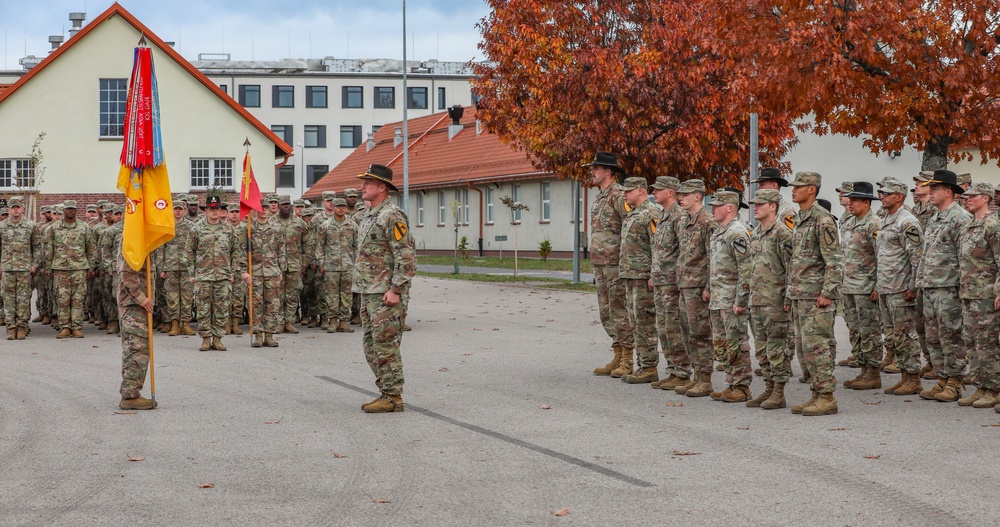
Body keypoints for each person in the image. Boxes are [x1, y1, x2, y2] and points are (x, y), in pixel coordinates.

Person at [353, 164, 416, 413]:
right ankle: (385, 391)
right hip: (369, 291)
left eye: (368, 182)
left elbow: (406, 255)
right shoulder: (369, 215)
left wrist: (397, 289)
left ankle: (393, 397)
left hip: (385, 293)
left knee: (385, 345)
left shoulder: (392, 215)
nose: (362, 186)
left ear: (382, 187)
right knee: (371, 345)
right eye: (363, 181)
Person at [787, 172, 843, 416]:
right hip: (801, 294)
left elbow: (834, 261)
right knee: (806, 348)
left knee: (817, 346)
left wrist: (828, 293)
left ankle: (827, 396)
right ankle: (816, 394)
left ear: (812, 189)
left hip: (816, 296)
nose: (793, 190)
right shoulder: (801, 218)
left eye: (798, 186)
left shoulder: (822, 219)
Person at [916, 170, 972, 402]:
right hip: (930, 285)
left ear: (948, 192)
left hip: (949, 287)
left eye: (935, 188)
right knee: (933, 336)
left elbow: (966, 257)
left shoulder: (960, 218)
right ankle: (943, 377)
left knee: (951, 335)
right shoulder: (935, 217)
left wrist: (963, 289)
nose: (930, 192)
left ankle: (956, 381)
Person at [874, 178, 925, 396]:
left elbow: (917, 256)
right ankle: (904, 375)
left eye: (887, 193)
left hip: (901, 288)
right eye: (881, 193)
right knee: (893, 335)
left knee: (905, 334)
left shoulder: (907, 221)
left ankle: (913, 377)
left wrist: (912, 286)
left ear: (900, 197)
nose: (882, 196)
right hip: (887, 286)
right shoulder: (886, 218)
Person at [584, 152, 633, 377]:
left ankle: (628, 359)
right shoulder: (601, 196)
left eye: (596, 168)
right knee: (606, 312)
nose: (592, 172)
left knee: (619, 309)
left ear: (609, 171)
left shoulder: (620, 196)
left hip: (615, 262)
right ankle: (618, 353)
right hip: (600, 263)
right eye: (592, 168)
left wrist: (627, 262)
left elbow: (630, 229)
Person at [746, 189, 794, 409]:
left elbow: (791, 268)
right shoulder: (756, 233)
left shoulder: (783, 233)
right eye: (754, 204)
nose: (755, 207)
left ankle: (779, 392)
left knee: (776, 348)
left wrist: (788, 297)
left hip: (775, 300)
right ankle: (768, 387)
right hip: (757, 299)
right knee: (762, 349)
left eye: (760, 204)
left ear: (772, 206)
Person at [705, 189, 753, 402]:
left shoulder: (737, 232)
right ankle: (731, 383)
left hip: (732, 300)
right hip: (719, 298)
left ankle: (742, 387)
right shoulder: (719, 231)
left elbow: (746, 269)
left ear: (730, 208)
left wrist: (741, 300)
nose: (712, 208)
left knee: (736, 343)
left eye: (717, 205)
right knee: (723, 344)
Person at [955, 182, 1000, 409]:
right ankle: (980, 386)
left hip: (985, 294)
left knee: (986, 344)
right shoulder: (969, 226)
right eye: (966, 196)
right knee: (971, 343)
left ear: (986, 198)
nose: (968, 199)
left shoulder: (992, 226)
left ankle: (994, 389)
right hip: (968, 293)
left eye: (973, 196)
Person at [674, 179, 717, 397]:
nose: (680, 198)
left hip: (699, 287)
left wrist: (709, 286)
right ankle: (697, 375)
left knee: (701, 333)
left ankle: (706, 378)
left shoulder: (708, 222)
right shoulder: (685, 222)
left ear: (698, 196)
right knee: (687, 332)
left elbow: (712, 257)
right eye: (679, 194)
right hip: (685, 285)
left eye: (685, 194)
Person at [840, 182, 883, 390]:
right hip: (849, 286)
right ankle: (863, 369)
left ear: (867, 202)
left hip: (866, 287)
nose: (850, 203)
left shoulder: (874, 224)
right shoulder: (849, 223)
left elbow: (880, 256)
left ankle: (873, 372)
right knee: (855, 330)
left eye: (855, 200)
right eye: (850, 199)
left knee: (869, 331)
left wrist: (877, 286)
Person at [648, 176, 689, 390]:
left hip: (673, 283)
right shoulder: (663, 216)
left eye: (658, 189)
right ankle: (673, 369)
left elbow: (684, 250)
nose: (654, 192)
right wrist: (653, 275)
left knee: (674, 327)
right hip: (661, 282)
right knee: (663, 327)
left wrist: (680, 279)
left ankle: (682, 372)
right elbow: (659, 251)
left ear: (670, 192)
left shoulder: (679, 217)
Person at [187, 196, 244, 351]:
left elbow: (235, 252)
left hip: (223, 276)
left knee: (222, 309)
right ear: (206, 211)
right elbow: (189, 253)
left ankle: (218, 338)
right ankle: (206, 339)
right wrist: (192, 273)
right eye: (211, 209)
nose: (214, 212)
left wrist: (232, 272)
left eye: (217, 209)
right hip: (203, 276)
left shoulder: (229, 229)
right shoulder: (196, 229)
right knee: (203, 309)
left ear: (220, 211)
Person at [617, 177, 660, 384]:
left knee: (645, 323)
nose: (625, 194)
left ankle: (650, 366)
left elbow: (656, 246)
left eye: (628, 191)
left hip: (643, 278)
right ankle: (643, 364)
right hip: (631, 276)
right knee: (635, 323)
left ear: (641, 191)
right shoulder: (632, 214)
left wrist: (654, 274)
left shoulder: (651, 214)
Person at [43, 200, 96, 339]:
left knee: (78, 299)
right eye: (68, 209)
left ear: (76, 210)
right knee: (62, 299)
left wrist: (91, 266)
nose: (70, 211)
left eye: (73, 209)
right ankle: (65, 327)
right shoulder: (54, 228)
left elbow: (91, 248)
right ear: (63, 211)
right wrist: (48, 268)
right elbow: (48, 248)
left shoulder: (84, 227)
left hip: (79, 268)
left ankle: (77, 327)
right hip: (60, 268)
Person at [117, 252, 157, 410]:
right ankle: (130, 395)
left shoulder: (141, 243)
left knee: (139, 348)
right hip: (133, 305)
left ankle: (132, 392)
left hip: (136, 305)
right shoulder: (135, 244)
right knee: (136, 349)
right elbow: (126, 273)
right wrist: (141, 298)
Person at [245, 201, 286, 348]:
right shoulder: (249, 228)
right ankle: (257, 334)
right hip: (254, 272)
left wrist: (281, 269)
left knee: (272, 304)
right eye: (260, 208)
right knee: (255, 304)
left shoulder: (276, 228)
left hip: (272, 271)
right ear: (255, 210)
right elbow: (242, 251)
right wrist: (244, 271)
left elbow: (281, 250)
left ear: (269, 210)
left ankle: (269, 334)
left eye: (266, 208)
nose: (263, 211)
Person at [315, 197, 358, 333]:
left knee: (346, 295)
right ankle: (332, 321)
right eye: (338, 206)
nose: (341, 209)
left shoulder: (352, 226)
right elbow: (319, 247)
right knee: (331, 295)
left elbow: (357, 246)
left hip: (348, 266)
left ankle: (343, 321)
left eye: (343, 206)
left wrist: (356, 264)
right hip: (330, 267)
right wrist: (321, 263)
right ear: (333, 208)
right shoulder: (325, 226)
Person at [0, 196, 40, 340]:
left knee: (23, 299)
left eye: (18, 207)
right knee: (8, 299)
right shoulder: (2, 226)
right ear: (9, 209)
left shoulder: (30, 225)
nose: (16, 209)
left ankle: (22, 327)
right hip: (7, 268)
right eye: (13, 207)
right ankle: (11, 328)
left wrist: (34, 265)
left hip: (24, 269)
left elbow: (37, 247)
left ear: (22, 209)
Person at [156, 200, 196, 336]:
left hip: (186, 267)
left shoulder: (191, 226)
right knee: (171, 296)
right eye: (175, 209)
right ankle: (174, 323)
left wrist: (194, 266)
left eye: (180, 209)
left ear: (185, 210)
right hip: (170, 266)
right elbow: (160, 248)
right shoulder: (166, 226)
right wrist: (161, 268)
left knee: (187, 296)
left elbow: (195, 247)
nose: (178, 211)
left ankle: (185, 323)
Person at [275, 195, 312, 334]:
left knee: (292, 295)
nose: (285, 206)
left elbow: (308, 243)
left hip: (294, 264)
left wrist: (305, 262)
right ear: (278, 206)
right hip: (277, 265)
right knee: (278, 295)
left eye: (287, 204)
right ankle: (279, 322)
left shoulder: (299, 223)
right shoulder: (272, 222)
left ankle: (289, 322)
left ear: (290, 206)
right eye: (283, 204)